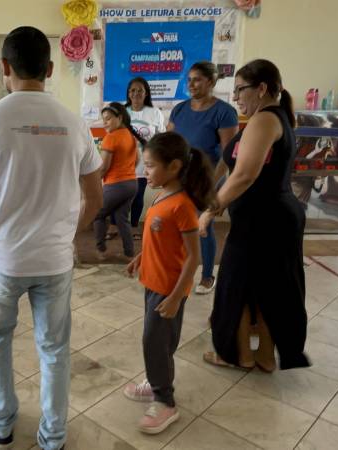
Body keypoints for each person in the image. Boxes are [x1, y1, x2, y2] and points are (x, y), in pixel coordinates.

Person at [0, 26, 103, 450]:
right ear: (50, 69)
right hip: (54, 261)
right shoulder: (75, 124)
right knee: (54, 350)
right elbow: (95, 197)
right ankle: (53, 437)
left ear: (5, 67)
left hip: (2, 261)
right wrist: (68, 235)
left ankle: (2, 424)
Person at [199, 59, 310, 372]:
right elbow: (235, 165)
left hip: (264, 220)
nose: (236, 97)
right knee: (262, 289)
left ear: (262, 88)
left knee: (235, 286)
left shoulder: (265, 120)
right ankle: (261, 356)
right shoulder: (272, 118)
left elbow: (245, 174)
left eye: (240, 90)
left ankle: (234, 355)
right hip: (269, 218)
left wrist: (210, 210)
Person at [124, 132, 212, 434]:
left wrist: (175, 297)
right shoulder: (161, 195)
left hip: (168, 290)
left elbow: (193, 257)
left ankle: (165, 402)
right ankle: (156, 382)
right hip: (154, 282)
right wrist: (141, 257)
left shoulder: (182, 206)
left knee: (155, 342)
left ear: (174, 166)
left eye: (149, 165)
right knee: (159, 342)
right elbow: (160, 239)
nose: (144, 171)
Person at [168, 62, 239, 295]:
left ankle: (207, 276)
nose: (191, 84)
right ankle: (179, 271)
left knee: (202, 227)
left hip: (208, 179)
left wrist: (212, 182)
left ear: (211, 81)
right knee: (177, 225)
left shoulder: (224, 112)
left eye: (197, 79)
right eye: (189, 79)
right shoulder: (179, 110)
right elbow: (169, 144)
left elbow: (228, 154)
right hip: (180, 180)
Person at [95, 102, 145, 259]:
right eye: (103, 119)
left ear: (120, 118)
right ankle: (129, 253)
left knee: (97, 215)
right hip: (132, 184)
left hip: (115, 185)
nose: (105, 123)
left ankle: (101, 251)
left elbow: (104, 167)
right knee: (122, 219)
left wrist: (94, 183)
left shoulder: (110, 138)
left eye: (108, 119)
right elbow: (137, 160)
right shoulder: (130, 136)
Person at [125, 77, 165, 237]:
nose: (136, 93)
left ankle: (134, 226)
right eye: (132, 90)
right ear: (128, 93)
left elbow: (161, 137)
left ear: (146, 93)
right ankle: (115, 225)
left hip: (144, 163)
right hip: (122, 162)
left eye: (140, 90)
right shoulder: (122, 112)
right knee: (120, 196)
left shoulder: (155, 113)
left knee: (138, 195)